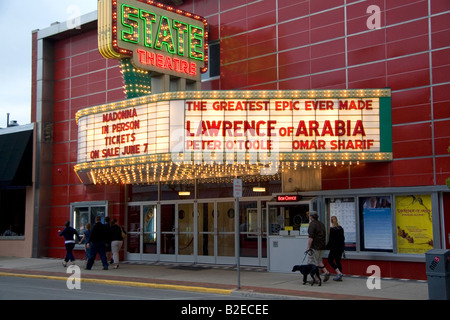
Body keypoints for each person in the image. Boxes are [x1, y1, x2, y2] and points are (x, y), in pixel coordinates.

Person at [306, 211, 330, 281]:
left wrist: (308, 247)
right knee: (319, 260)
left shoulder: (312, 224)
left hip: (315, 246)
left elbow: (311, 237)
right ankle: (326, 272)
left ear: (311, 217)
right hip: (322, 246)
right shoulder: (321, 224)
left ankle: (316, 278)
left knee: (313, 262)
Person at [326, 216, 345, 281]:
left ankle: (339, 273)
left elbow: (331, 240)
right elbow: (343, 238)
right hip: (340, 247)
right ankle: (340, 274)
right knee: (338, 261)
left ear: (331, 222)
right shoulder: (341, 228)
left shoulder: (332, 229)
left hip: (334, 248)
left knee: (330, 260)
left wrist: (326, 247)